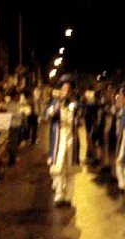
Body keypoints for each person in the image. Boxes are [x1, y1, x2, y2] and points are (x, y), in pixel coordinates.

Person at [47, 75, 82, 207]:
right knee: (59, 167)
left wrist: (77, 116)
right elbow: (48, 115)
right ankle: (60, 194)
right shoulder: (55, 102)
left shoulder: (75, 104)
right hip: (59, 139)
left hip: (72, 140)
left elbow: (79, 121)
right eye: (63, 89)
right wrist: (58, 104)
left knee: (70, 169)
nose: (66, 91)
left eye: (68, 89)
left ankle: (69, 196)